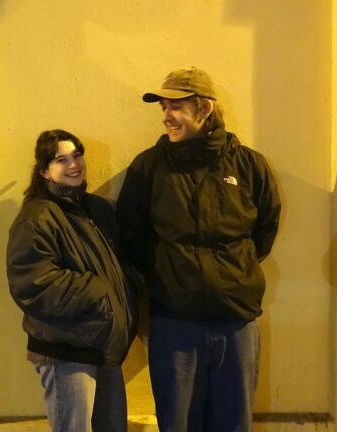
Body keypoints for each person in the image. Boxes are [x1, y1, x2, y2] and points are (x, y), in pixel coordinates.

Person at [117, 67, 281, 431]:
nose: (166, 115)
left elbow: (265, 228)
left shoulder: (249, 164)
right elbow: (131, 235)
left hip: (236, 322)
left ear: (204, 109)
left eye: (175, 106)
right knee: (177, 423)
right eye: (163, 106)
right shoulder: (148, 167)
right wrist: (168, 274)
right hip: (174, 323)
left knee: (233, 423)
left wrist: (234, 270)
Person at [7, 129, 138, 432]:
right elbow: (33, 285)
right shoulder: (37, 217)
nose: (73, 165)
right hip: (65, 352)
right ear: (45, 172)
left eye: (77, 155)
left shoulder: (98, 209)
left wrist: (128, 291)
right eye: (61, 160)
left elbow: (122, 262)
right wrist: (100, 293)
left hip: (104, 347)